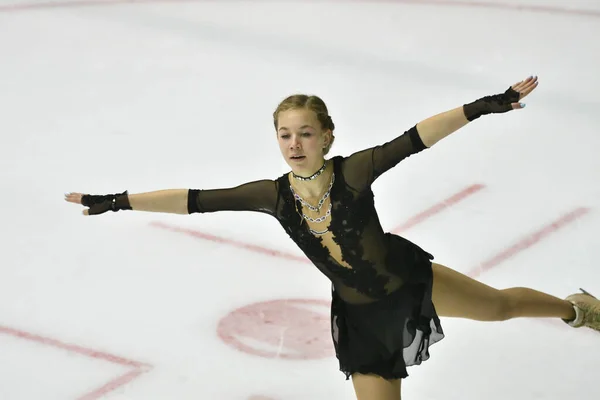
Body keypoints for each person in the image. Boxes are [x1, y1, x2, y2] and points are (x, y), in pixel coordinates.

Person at [65, 75, 599, 400]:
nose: (294, 144)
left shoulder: (354, 172)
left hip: (409, 283)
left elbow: (416, 138)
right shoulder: (270, 195)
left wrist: (484, 106)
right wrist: (115, 201)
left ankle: (576, 309)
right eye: (284, 134)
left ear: (326, 136)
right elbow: (191, 199)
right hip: (361, 317)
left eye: (305, 133)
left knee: (500, 309)